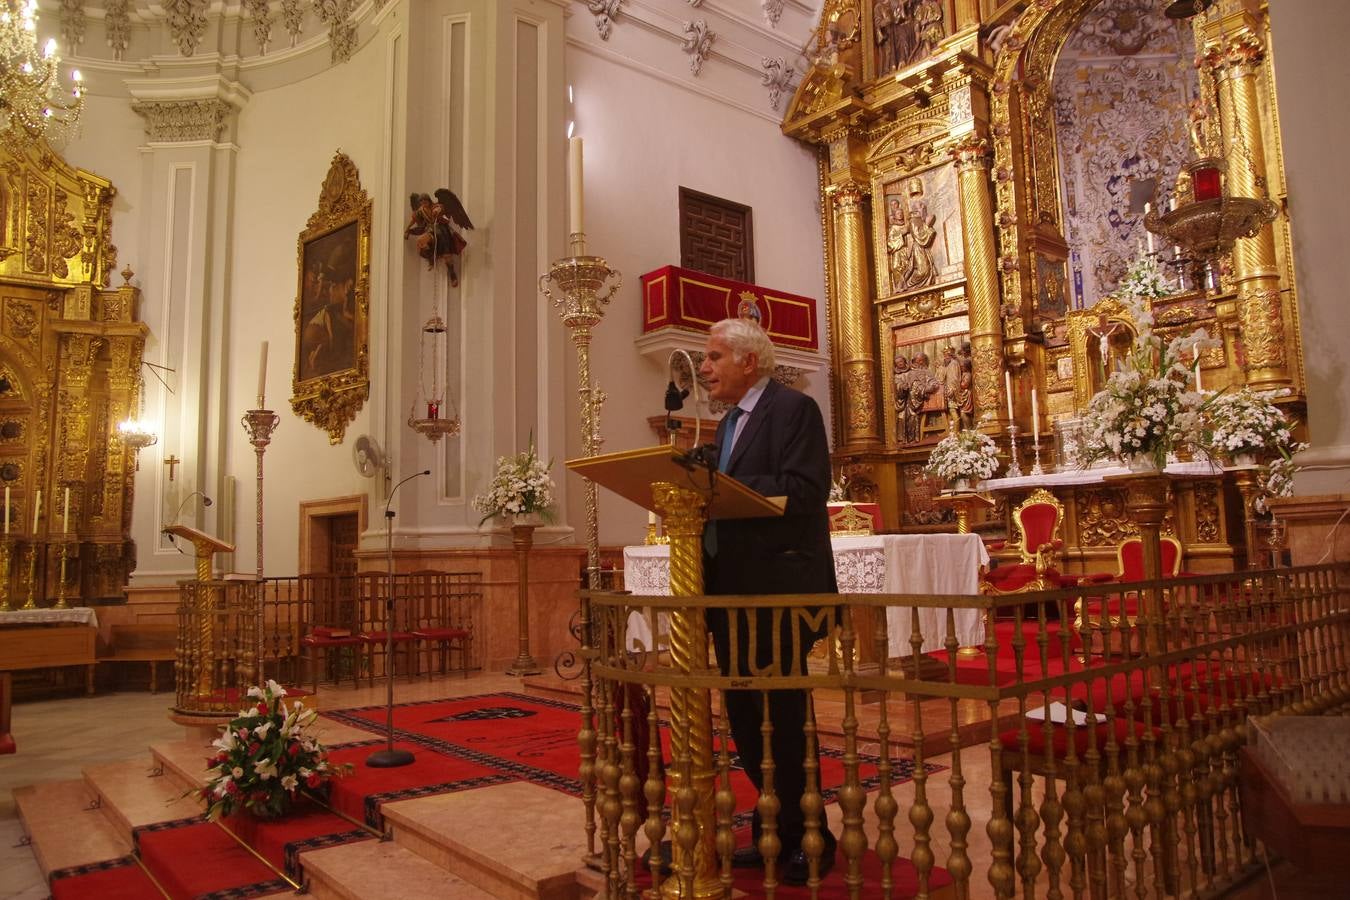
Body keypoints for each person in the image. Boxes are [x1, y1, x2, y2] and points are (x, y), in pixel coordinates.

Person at [697, 317, 838, 886]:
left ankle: (814, 836)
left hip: (778, 589)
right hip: (731, 590)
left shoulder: (793, 410)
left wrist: (731, 487)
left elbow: (806, 489)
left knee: (781, 716)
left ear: (748, 360)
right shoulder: (727, 422)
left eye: (713, 357)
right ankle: (769, 828)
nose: (704, 368)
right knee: (745, 717)